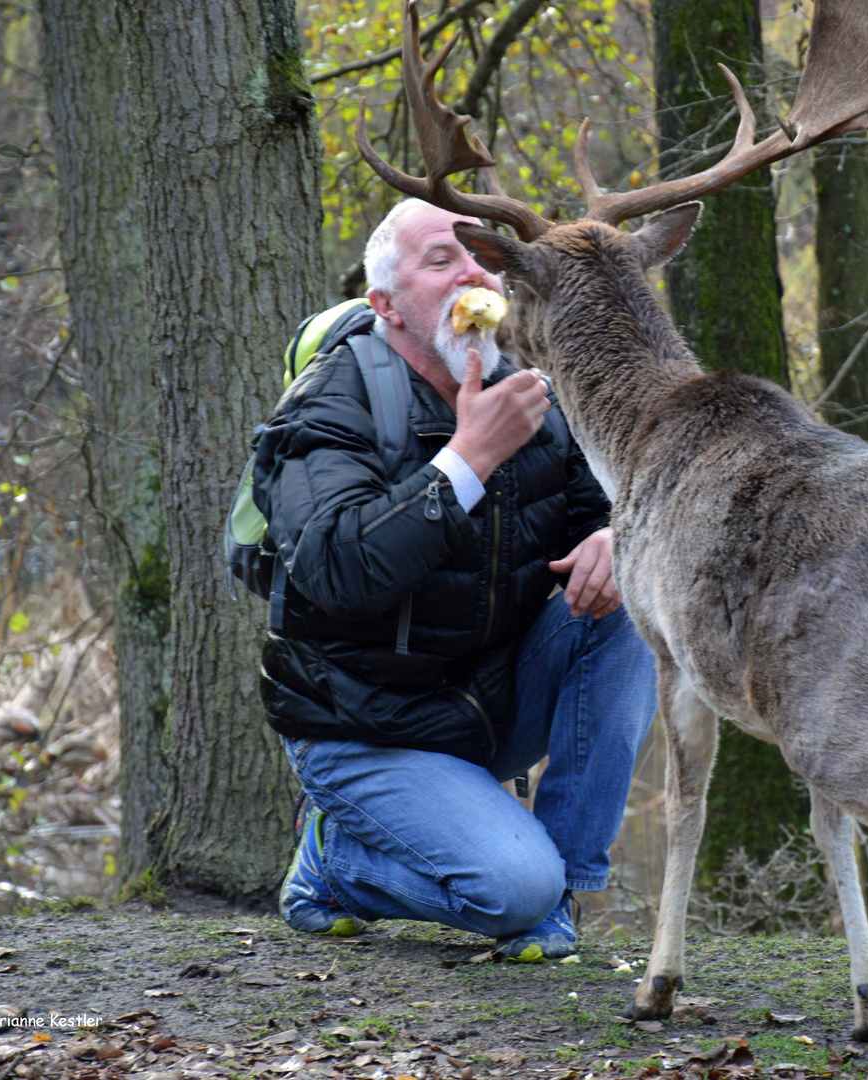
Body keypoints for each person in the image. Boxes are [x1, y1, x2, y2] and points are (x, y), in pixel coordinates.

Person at [250, 198, 658, 961]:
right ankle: (335, 865)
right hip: (362, 729)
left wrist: (614, 538)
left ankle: (557, 894)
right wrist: (465, 461)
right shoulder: (330, 406)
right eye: (442, 260)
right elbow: (336, 573)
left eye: (480, 258)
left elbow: (599, 514)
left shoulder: (531, 396)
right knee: (508, 890)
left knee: (634, 598)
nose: (473, 271)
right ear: (387, 307)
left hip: (485, 707)